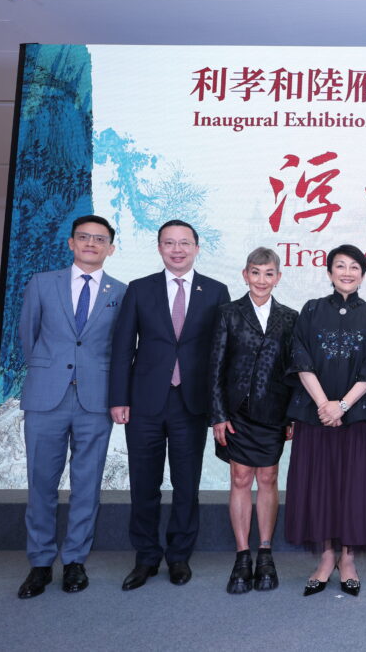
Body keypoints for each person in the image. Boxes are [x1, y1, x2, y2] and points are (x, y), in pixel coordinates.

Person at [109, 219, 230, 590]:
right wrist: (118, 398)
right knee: (143, 484)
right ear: (159, 247)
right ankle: (146, 557)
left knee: (185, 484)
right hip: (144, 402)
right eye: (169, 243)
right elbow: (122, 347)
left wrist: (218, 407)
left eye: (184, 243)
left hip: (191, 404)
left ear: (196, 247)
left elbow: (222, 354)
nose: (177, 249)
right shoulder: (140, 289)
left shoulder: (216, 290)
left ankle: (179, 556)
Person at [17, 215, 127, 598]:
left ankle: (75, 560)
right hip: (46, 398)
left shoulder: (121, 291)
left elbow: (121, 348)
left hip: (95, 400)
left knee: (87, 484)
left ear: (111, 248)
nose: (91, 244)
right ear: (71, 243)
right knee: (41, 484)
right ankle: (40, 563)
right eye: (84, 237)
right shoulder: (42, 283)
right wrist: (50, 372)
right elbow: (28, 337)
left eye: (100, 239)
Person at [284, 244, 366, 598]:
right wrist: (324, 405)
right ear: (328, 272)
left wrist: (341, 405)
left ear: (362, 273)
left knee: (353, 488)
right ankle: (326, 558)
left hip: (356, 418)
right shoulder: (311, 310)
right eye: (340, 266)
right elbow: (301, 360)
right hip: (315, 417)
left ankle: (348, 560)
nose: (347, 272)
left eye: (354, 266)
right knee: (320, 487)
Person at [209, 247, 298, 594]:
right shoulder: (228, 314)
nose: (262, 280)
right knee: (241, 477)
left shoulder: (290, 317)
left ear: (278, 277)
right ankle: (242, 555)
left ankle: (265, 553)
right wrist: (217, 414)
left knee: (269, 476)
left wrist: (292, 415)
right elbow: (214, 367)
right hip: (236, 413)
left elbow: (294, 372)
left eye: (269, 273)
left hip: (274, 413)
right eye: (255, 273)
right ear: (245, 275)